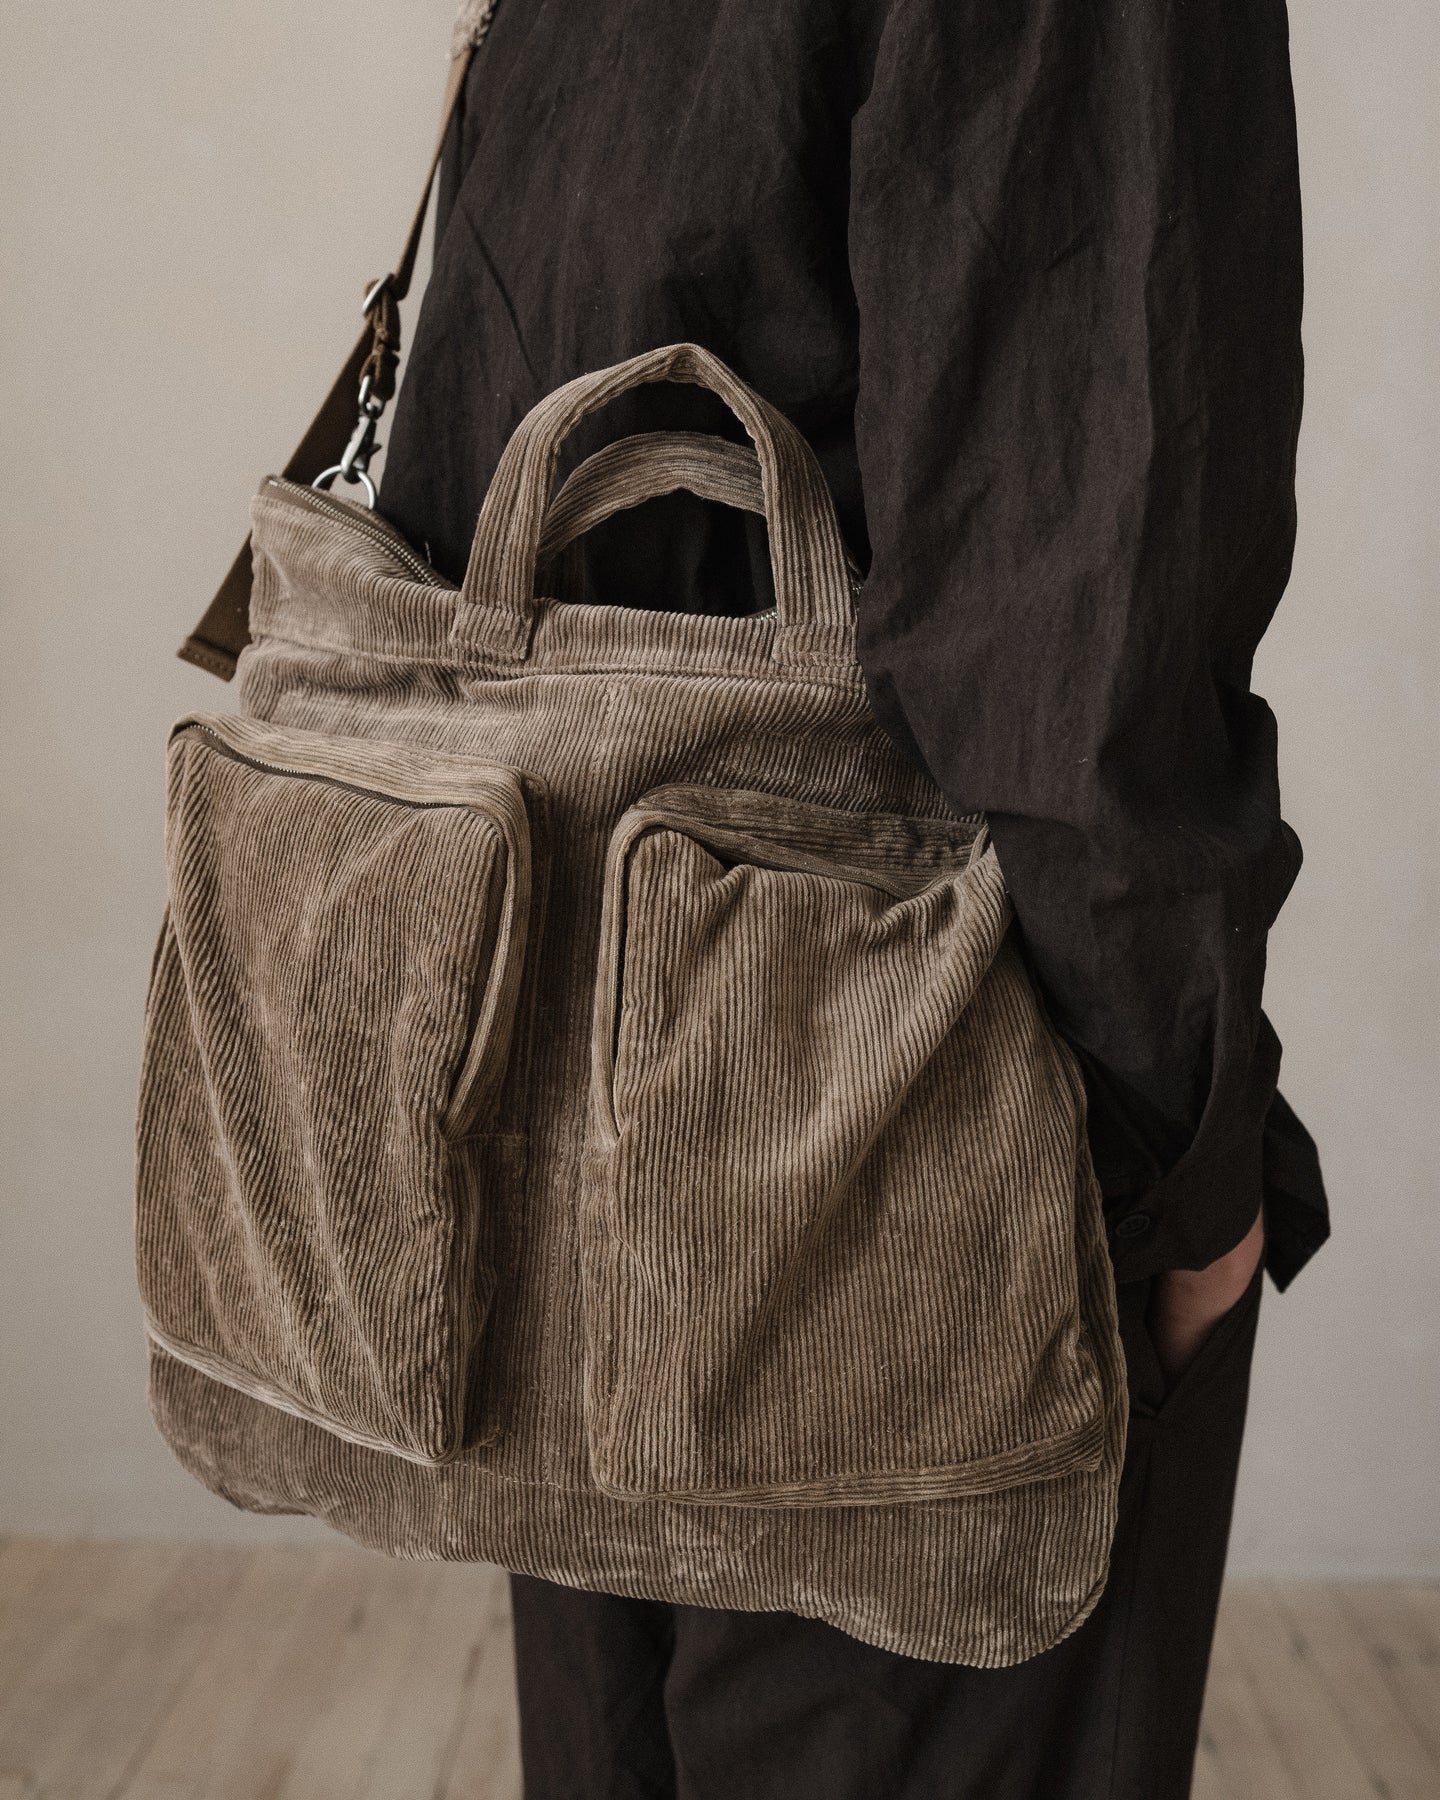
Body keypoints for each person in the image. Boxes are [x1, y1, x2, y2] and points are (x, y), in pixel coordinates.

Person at [377, 0, 1330, 1793]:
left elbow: (464, 488)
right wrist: (1187, 1180)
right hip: (921, 1164)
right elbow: (1081, 617)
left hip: (540, 1099)